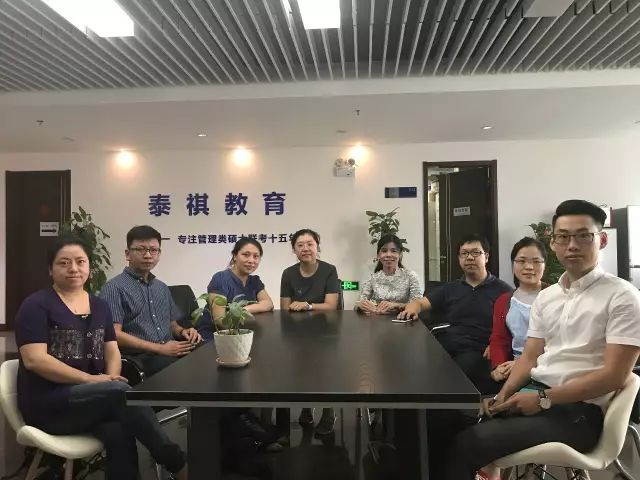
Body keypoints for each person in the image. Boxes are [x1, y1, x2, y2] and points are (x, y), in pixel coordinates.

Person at [440, 199, 640, 479]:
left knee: (470, 442)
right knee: (450, 423)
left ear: (602, 240)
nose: (572, 245)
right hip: (535, 393)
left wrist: (544, 399)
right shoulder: (547, 297)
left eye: (583, 236)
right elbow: (530, 356)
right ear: (554, 243)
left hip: (581, 411)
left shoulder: (623, 297)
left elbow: (614, 376)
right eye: (564, 237)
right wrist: (502, 395)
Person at [15, 236, 187, 480]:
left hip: (91, 401)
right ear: (50, 269)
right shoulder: (36, 305)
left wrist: (111, 377)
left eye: (80, 261)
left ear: (89, 266)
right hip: (49, 403)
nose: (73, 268)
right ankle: (179, 465)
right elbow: (35, 360)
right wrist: (94, 381)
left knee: (118, 427)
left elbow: (111, 349)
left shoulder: (99, 306)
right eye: (63, 263)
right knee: (120, 394)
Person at [398, 233, 512, 393]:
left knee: (449, 373)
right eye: (464, 253)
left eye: (475, 253)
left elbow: (513, 327)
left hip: (479, 350)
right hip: (449, 346)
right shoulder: (451, 288)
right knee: (409, 361)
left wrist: (496, 345)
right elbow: (420, 303)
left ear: (486, 257)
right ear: (459, 259)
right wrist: (412, 309)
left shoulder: (503, 291)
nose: (469, 257)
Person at [100, 225, 201, 378]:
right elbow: (113, 334)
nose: (148, 255)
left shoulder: (161, 287)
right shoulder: (114, 288)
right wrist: (160, 349)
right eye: (141, 250)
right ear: (127, 254)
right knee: (186, 368)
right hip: (140, 357)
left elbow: (172, 324)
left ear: (159, 254)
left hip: (170, 349)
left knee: (209, 351)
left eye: (153, 250)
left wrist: (183, 332)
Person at [280, 228, 340, 434]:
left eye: (310, 244)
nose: (305, 248)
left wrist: (308, 305)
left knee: (323, 367)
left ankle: (329, 410)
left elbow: (331, 305)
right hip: (298, 330)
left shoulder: (329, 270)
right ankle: (307, 405)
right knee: (299, 366)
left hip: (326, 329)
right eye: (300, 245)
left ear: (317, 247)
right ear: (294, 250)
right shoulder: (288, 273)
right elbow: (285, 307)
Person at [489, 237, 547, 383]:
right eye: (521, 261)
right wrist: (498, 367)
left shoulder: (556, 296)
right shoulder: (504, 301)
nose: (529, 267)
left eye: (536, 261)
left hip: (547, 367)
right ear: (513, 264)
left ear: (544, 265)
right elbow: (498, 339)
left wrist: (523, 364)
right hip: (513, 369)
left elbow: (561, 343)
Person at [197, 238, 274, 341]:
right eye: (246, 255)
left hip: (242, 334)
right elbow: (220, 322)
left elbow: (268, 303)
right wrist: (249, 311)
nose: (251, 260)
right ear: (235, 256)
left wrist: (243, 310)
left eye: (256, 256)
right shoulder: (220, 278)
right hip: (215, 337)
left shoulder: (255, 281)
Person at [355, 234, 422, 314]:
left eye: (393, 251)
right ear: (378, 255)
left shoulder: (411, 276)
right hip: (378, 320)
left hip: (404, 319)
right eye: (384, 251)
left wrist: (396, 305)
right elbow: (357, 305)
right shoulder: (372, 278)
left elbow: (418, 305)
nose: (388, 255)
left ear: (400, 254)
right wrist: (361, 305)